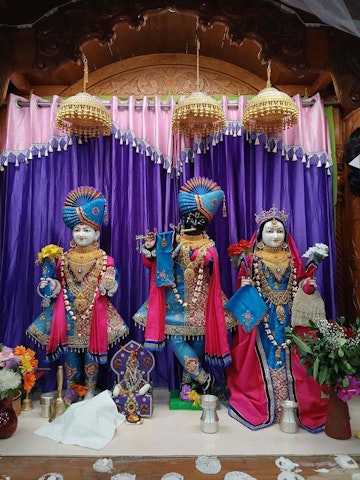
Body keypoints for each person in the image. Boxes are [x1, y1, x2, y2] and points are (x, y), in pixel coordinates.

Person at [226, 206, 328, 431]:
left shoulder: (293, 259)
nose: (275, 236)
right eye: (270, 232)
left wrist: (306, 285)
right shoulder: (251, 259)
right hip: (262, 317)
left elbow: (299, 282)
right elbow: (244, 286)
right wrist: (245, 284)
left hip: (289, 316)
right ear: (260, 234)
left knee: (292, 354)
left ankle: (294, 403)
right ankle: (266, 400)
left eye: (279, 232)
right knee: (263, 354)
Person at [133, 177, 237, 397]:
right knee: (176, 340)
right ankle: (204, 378)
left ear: (206, 222)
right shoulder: (170, 239)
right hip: (174, 303)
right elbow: (152, 264)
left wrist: (199, 255)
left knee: (199, 342)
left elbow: (211, 261)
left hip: (201, 303)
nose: (193, 221)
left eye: (199, 218)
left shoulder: (209, 244)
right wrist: (152, 249)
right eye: (190, 217)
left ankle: (188, 386)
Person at [27, 186, 129, 398]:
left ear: (97, 233)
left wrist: (109, 284)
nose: (81, 234)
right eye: (77, 230)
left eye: (86, 230)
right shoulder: (63, 258)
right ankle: (73, 390)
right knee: (71, 353)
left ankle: (90, 389)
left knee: (92, 353)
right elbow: (56, 284)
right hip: (68, 314)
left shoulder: (104, 259)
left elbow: (112, 281)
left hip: (95, 314)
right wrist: (50, 284)